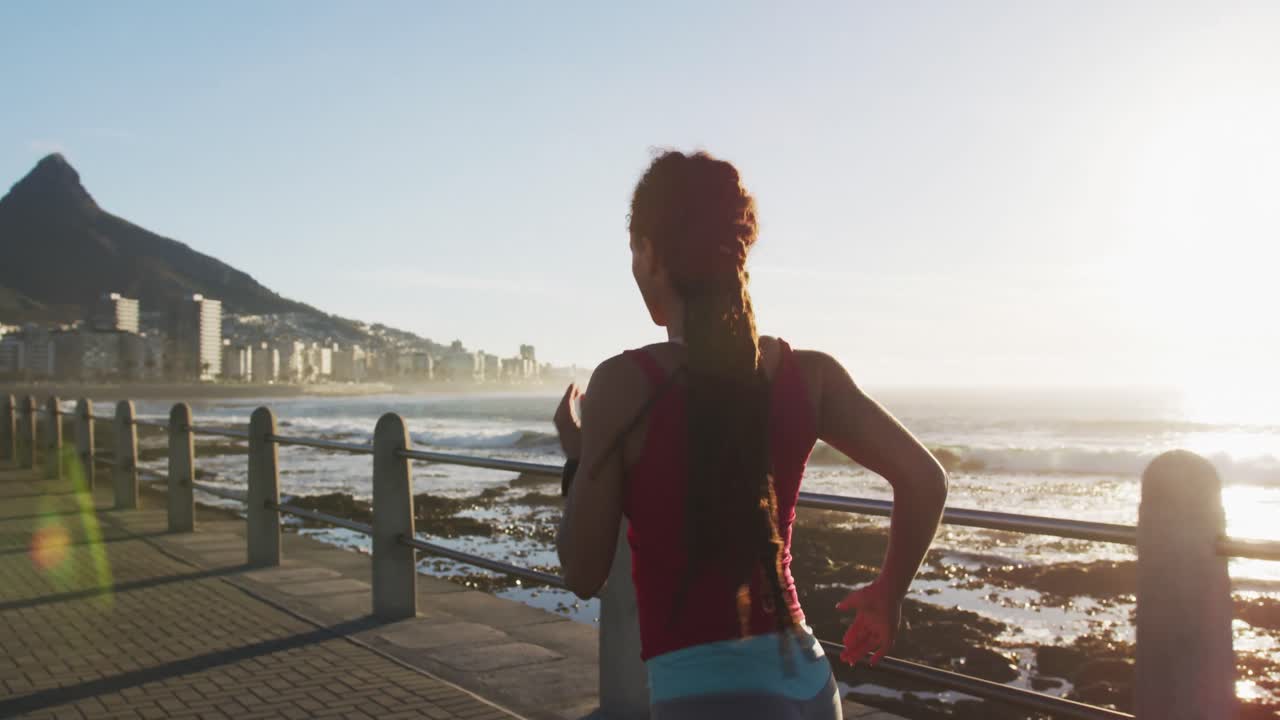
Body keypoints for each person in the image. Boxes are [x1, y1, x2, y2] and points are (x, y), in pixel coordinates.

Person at [554, 150, 948, 719]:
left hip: (703, 698)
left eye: (634, 251)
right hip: (809, 687)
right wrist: (888, 595)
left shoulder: (624, 385)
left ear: (650, 253)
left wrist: (580, 455)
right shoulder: (809, 377)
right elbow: (925, 480)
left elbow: (582, 571)